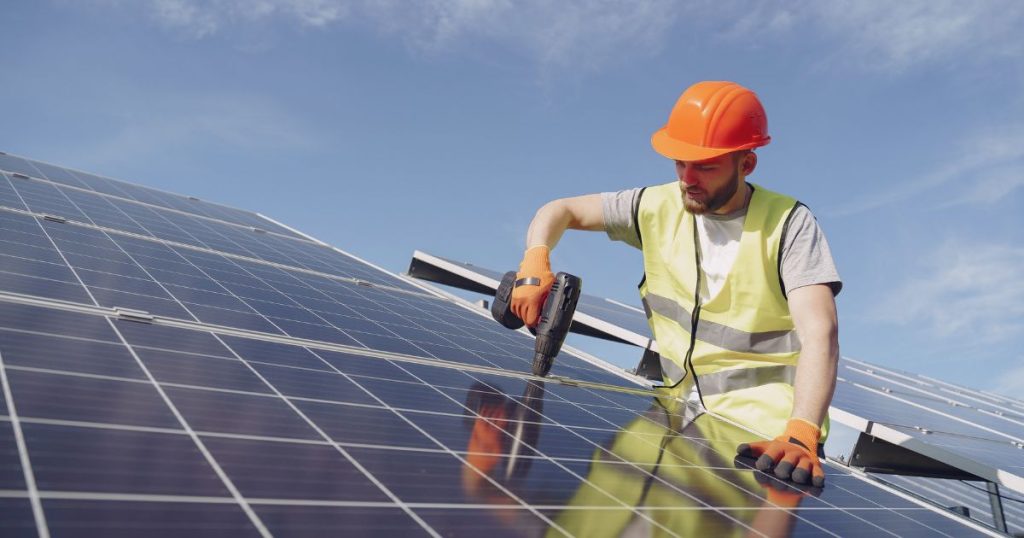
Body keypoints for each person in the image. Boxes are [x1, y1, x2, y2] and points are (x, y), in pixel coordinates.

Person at [509, 81, 841, 487]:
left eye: (705, 166)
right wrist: (535, 259)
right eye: (680, 163)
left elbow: (820, 331)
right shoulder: (656, 206)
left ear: (746, 164)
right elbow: (559, 209)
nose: (688, 178)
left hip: (766, 440)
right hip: (678, 414)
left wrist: (801, 432)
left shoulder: (789, 223)